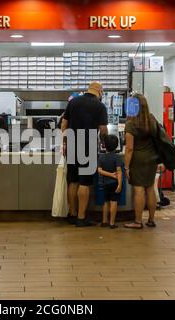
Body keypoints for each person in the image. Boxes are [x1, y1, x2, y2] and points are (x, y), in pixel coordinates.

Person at [61, 82, 108, 227]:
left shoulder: (73, 102)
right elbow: (103, 129)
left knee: (73, 181)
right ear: (99, 92)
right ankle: (81, 217)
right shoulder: (100, 106)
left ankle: (72, 214)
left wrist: (65, 143)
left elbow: (64, 124)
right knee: (85, 182)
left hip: (72, 145)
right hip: (88, 146)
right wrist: (103, 142)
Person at [124, 94, 158, 229]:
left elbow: (129, 148)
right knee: (150, 188)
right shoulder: (152, 119)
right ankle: (151, 219)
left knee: (138, 190)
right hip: (151, 158)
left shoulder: (131, 123)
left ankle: (138, 221)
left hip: (138, 160)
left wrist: (126, 167)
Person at [98, 134, 123, 229]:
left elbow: (99, 170)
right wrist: (119, 184)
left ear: (104, 145)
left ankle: (104, 221)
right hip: (114, 183)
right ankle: (112, 223)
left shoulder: (101, 157)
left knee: (106, 202)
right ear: (116, 145)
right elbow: (119, 172)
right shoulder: (117, 157)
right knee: (114, 202)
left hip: (105, 183)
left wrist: (108, 174)